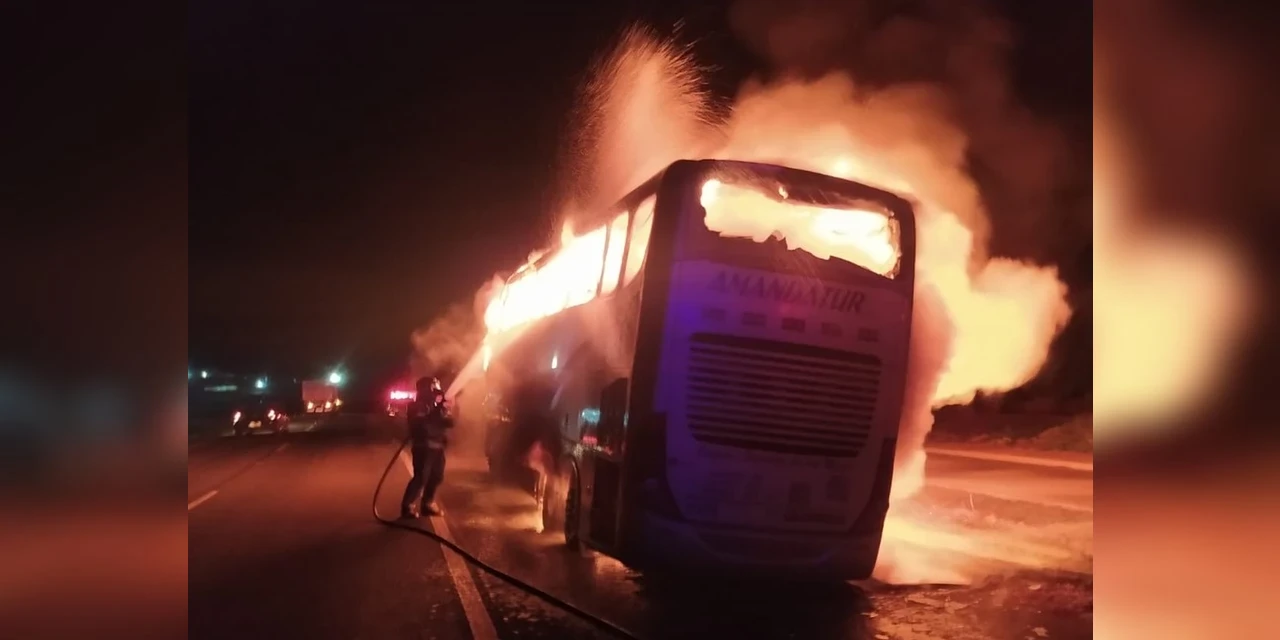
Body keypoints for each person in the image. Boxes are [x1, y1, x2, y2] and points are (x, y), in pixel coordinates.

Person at [401, 376, 453, 518]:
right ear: (425, 389)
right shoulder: (416, 405)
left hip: (437, 447)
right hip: (423, 447)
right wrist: (437, 410)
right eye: (434, 387)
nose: (437, 390)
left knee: (437, 476)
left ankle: (427, 504)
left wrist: (447, 409)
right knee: (421, 478)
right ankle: (407, 506)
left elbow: (449, 422)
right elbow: (420, 422)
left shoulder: (438, 406)